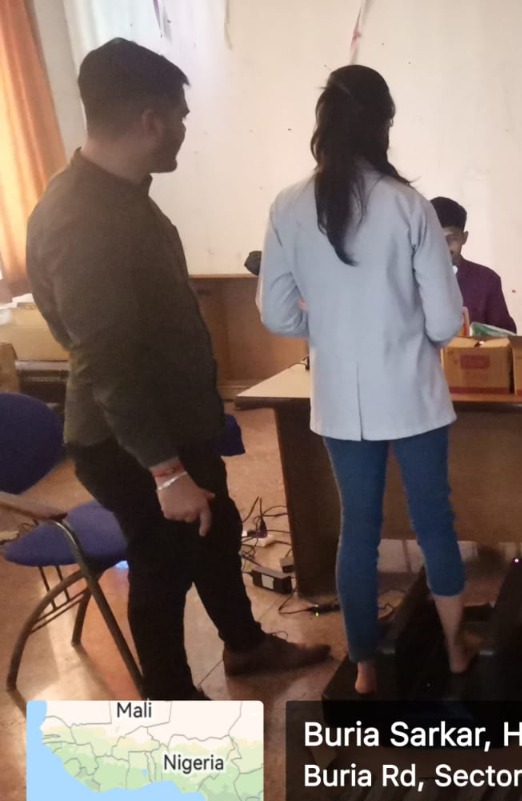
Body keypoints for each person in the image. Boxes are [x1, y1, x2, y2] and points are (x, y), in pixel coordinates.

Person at [25, 39, 329, 700]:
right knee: (162, 567)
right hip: (129, 441)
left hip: (171, 425)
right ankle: (170, 709)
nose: (186, 129)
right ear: (150, 120)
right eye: (181, 116)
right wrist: (165, 472)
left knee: (217, 534)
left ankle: (244, 646)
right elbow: (104, 360)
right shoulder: (83, 220)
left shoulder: (124, 196)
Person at [260, 65, 474, 694]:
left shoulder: (288, 204)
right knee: (434, 522)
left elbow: (276, 314)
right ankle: (456, 650)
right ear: (383, 123)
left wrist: (330, 326)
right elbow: (445, 321)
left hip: (339, 401)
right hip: (412, 395)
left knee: (359, 529)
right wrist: (406, 330)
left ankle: (364, 667)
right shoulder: (408, 205)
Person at [429, 196, 516, 333]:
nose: (443, 247)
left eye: (451, 239)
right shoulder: (407, 280)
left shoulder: (487, 280)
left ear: (464, 238)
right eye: (435, 238)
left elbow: (505, 336)